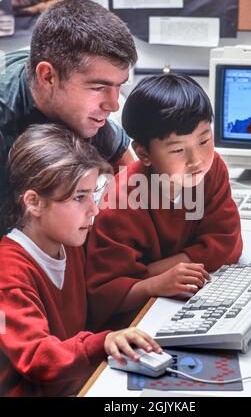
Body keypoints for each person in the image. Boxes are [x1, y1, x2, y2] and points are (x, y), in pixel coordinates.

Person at [0, 123, 162, 397]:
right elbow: (39, 357)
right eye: (79, 197)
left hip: (82, 385)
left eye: (92, 194)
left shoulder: (70, 241)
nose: (94, 209)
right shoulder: (8, 273)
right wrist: (103, 342)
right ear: (34, 202)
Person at [86, 73, 243, 332]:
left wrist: (155, 269)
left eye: (204, 141)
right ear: (143, 152)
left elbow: (227, 244)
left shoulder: (213, 169)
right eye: (178, 150)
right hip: (135, 325)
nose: (196, 160)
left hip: (186, 301)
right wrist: (154, 283)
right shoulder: (122, 201)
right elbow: (106, 295)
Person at [0, 0, 137, 216]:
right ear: (48, 77)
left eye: (118, 86)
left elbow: (129, 175)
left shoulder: (77, 109)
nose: (113, 105)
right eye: (99, 87)